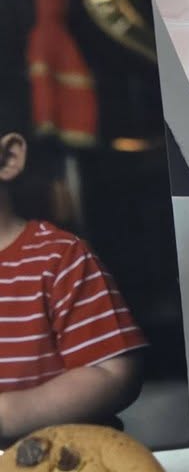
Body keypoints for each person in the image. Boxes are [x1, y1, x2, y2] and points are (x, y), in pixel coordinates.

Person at [0, 71, 145, 445]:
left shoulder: (58, 257)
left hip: (56, 463)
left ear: (8, 158)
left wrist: (12, 413)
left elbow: (112, 373)